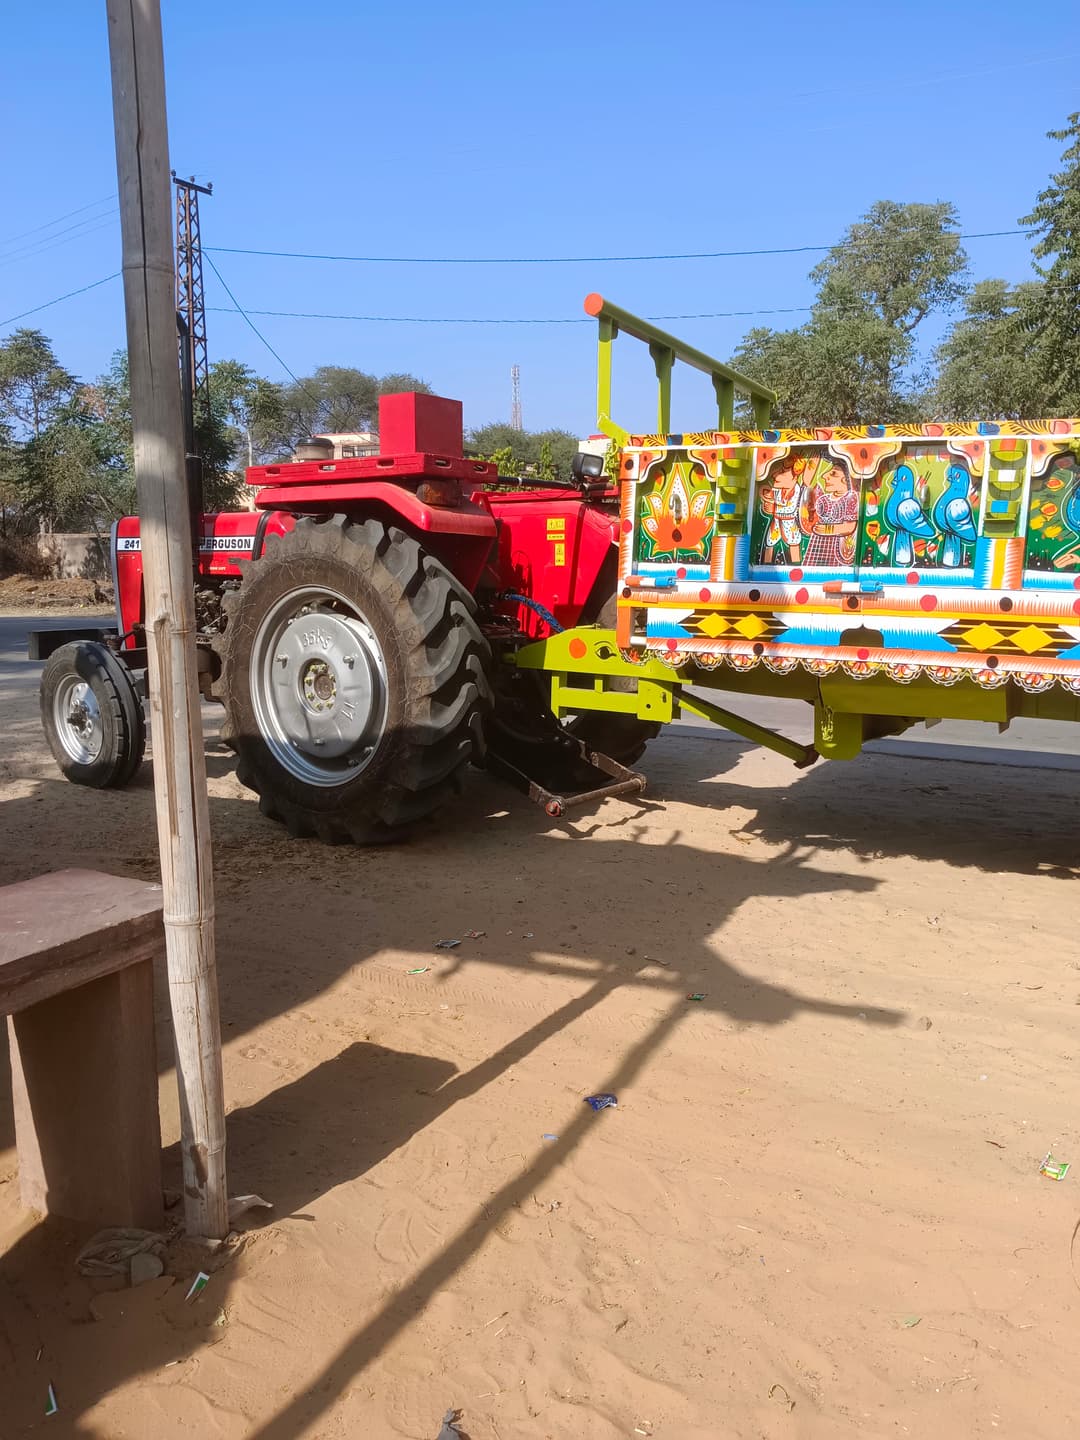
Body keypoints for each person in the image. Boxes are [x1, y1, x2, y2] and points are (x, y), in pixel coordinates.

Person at [803, 463, 859, 567]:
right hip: (818, 544)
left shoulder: (851, 498)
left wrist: (828, 530)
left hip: (836, 545)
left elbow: (850, 527)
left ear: (847, 479)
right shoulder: (824, 498)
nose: (824, 476)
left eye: (833, 473)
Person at [760, 456, 808, 564]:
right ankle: (765, 565)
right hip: (776, 522)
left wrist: (773, 509)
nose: (775, 475)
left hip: (789, 523)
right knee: (769, 543)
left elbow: (790, 508)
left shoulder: (795, 490)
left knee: (794, 543)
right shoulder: (779, 488)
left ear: (794, 476)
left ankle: (796, 566)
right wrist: (766, 499)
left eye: (783, 472)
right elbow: (767, 494)